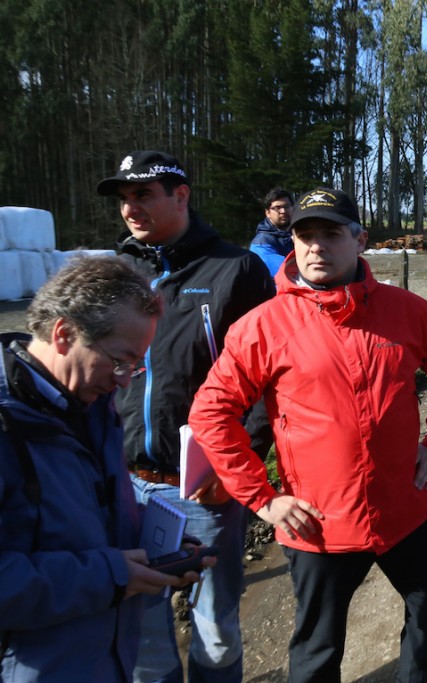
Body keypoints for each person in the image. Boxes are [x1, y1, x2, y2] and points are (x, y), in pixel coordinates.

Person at [188, 187, 427, 682]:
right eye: (305, 236)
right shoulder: (264, 325)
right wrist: (262, 499)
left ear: (359, 240)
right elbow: (211, 414)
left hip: (404, 508)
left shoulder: (405, 311)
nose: (316, 246)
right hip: (318, 523)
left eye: (331, 233)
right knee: (318, 648)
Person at [96, 150, 275, 683]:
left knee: (215, 626)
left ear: (181, 196)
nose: (130, 207)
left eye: (143, 194)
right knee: (143, 628)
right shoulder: (116, 272)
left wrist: (235, 467)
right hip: (126, 485)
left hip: (202, 485)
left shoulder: (235, 268)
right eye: (124, 198)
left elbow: (268, 380)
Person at [0, 255, 212, 682]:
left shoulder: (91, 406)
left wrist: (156, 541)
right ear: (64, 334)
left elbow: (91, 509)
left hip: (103, 657)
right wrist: (111, 576)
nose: (124, 380)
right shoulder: (10, 426)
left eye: (135, 366)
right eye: (119, 360)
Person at [250, 187, 295, 278]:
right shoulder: (261, 242)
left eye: (287, 206)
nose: (283, 211)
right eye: (277, 208)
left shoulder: (298, 233)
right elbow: (285, 272)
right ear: (267, 213)